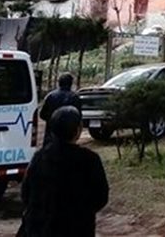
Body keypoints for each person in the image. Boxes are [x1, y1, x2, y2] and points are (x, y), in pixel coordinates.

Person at [19, 106, 109, 237]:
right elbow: (100, 197)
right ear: (78, 130)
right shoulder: (89, 159)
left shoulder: (40, 157)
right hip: (78, 228)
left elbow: (26, 193)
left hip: (42, 229)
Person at [39, 72, 82, 145]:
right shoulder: (75, 97)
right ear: (71, 84)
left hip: (51, 136)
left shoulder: (50, 96)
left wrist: (52, 120)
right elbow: (79, 117)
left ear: (59, 83)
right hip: (68, 137)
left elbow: (42, 114)